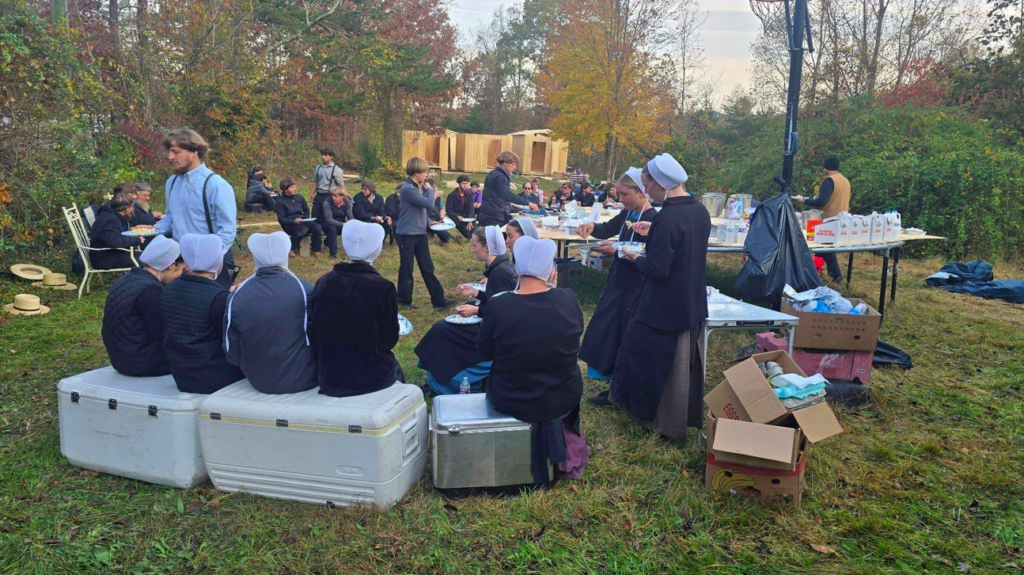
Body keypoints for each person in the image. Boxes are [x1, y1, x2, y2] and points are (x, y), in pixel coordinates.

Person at [609, 153, 710, 441]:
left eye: (647, 186)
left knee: (652, 361)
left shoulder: (668, 215)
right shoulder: (698, 210)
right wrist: (653, 231)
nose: (647, 193)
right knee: (681, 364)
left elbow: (657, 269)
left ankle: (658, 420)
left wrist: (632, 257)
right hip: (691, 299)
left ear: (660, 184)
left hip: (664, 304)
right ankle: (677, 417)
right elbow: (685, 241)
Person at [477, 236, 588, 482]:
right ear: (551, 271)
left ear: (517, 269)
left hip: (512, 397)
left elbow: (484, 353)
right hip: (563, 395)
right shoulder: (567, 298)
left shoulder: (498, 305)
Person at [575, 168, 658, 403]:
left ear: (641, 192)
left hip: (635, 286)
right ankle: (613, 384)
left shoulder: (653, 219)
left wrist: (617, 251)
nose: (620, 199)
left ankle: (621, 390)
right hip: (618, 282)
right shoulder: (628, 214)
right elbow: (609, 228)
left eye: (624, 194)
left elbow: (649, 255)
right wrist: (592, 227)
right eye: (618, 194)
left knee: (624, 336)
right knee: (607, 332)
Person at [415, 226, 518, 395]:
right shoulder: (501, 266)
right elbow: (496, 300)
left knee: (442, 329)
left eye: (474, 245)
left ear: (486, 247)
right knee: (446, 327)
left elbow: (503, 312)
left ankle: (442, 383)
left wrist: (475, 311)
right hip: (495, 325)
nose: (471, 249)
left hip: (497, 334)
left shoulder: (500, 273)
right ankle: (437, 377)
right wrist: (475, 292)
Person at [310, 220, 404, 397]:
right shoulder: (382, 287)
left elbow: (314, 330)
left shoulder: (324, 281)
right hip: (367, 379)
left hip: (329, 374)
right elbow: (388, 340)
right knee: (395, 370)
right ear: (376, 252)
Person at [224, 232, 317, 394]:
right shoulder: (305, 289)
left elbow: (231, 350)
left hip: (258, 380)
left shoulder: (237, 295)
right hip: (306, 378)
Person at [161, 233, 244, 394]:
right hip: (213, 376)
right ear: (217, 261)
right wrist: (236, 298)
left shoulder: (169, 288)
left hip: (180, 372)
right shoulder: (218, 299)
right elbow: (235, 337)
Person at [156, 129, 238, 288]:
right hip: (179, 262)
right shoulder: (172, 182)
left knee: (213, 309)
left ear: (194, 152)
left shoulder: (216, 185)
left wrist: (205, 260)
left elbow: (227, 229)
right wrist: (152, 229)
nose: (170, 157)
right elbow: (170, 218)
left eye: (175, 152)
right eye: (169, 152)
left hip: (210, 264)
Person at [102, 235, 187, 377]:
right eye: (181, 270)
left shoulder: (125, 279)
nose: (180, 275)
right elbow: (166, 335)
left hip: (120, 358)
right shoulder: (151, 291)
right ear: (171, 265)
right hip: (144, 363)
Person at [395, 158, 456, 310]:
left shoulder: (417, 186)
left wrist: (428, 221)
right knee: (407, 268)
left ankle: (438, 301)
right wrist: (431, 191)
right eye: (425, 172)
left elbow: (419, 208)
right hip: (407, 234)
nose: (427, 175)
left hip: (420, 232)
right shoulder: (408, 188)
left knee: (427, 267)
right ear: (416, 172)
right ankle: (403, 299)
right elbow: (428, 204)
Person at [793, 155, 850, 282]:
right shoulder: (844, 180)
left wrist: (805, 200)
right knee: (823, 249)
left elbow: (822, 201)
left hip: (827, 219)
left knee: (823, 248)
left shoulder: (828, 181)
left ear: (826, 168)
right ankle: (821, 274)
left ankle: (835, 277)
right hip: (842, 219)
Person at [478, 151, 537, 226]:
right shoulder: (501, 177)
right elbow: (507, 194)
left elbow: (496, 194)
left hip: (488, 214)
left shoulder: (493, 173)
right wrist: (528, 203)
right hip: (495, 217)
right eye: (513, 164)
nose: (514, 168)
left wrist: (508, 203)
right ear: (505, 163)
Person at [90, 193, 145, 270]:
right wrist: (137, 240)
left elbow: (115, 235)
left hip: (112, 253)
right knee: (147, 259)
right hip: (105, 258)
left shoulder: (111, 215)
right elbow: (115, 241)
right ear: (128, 209)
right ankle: (140, 281)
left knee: (147, 256)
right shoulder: (109, 220)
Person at [275, 177, 323, 256]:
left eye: (295, 187)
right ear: (285, 189)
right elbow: (281, 219)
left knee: (317, 227)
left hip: (303, 221)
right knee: (304, 229)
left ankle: (316, 249)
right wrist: (293, 221)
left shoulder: (299, 197)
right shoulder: (280, 202)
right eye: (292, 187)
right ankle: (291, 248)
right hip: (290, 224)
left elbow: (306, 209)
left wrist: (306, 218)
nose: (295, 189)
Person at [310, 146, 345, 222]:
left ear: (331, 156)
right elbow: (315, 182)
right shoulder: (318, 168)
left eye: (326, 155)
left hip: (329, 195)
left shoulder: (336, 169)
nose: (323, 157)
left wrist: (345, 194)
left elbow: (341, 184)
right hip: (319, 195)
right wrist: (312, 193)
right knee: (315, 216)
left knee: (327, 216)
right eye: (322, 155)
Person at [322, 186, 352, 259]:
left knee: (351, 229)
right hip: (327, 223)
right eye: (332, 196)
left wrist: (352, 224)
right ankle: (333, 253)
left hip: (341, 222)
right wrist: (342, 224)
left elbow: (350, 216)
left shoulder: (346, 203)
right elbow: (329, 219)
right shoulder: (327, 203)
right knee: (333, 229)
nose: (333, 198)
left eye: (336, 196)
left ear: (342, 196)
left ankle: (353, 251)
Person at [423, 178, 452, 244]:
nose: (435, 189)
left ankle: (446, 239)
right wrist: (435, 195)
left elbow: (442, 208)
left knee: (440, 226)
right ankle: (451, 239)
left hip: (436, 218)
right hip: (427, 220)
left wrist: (442, 217)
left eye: (435, 186)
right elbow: (427, 208)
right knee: (437, 228)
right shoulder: (424, 197)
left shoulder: (438, 198)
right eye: (433, 187)